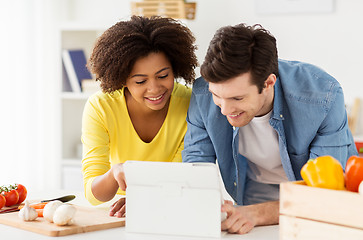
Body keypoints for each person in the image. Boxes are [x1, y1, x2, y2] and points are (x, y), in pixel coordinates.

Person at [182, 23, 357, 234]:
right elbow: (195, 168)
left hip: (317, 209)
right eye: (217, 95)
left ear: (268, 83)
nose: (224, 109)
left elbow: (323, 194)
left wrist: (256, 214)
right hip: (251, 202)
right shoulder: (201, 93)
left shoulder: (322, 97)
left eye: (237, 98)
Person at [82, 16, 198, 217]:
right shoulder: (101, 107)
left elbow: (182, 176)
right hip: (113, 213)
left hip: (169, 207)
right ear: (123, 79)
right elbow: (93, 194)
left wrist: (144, 197)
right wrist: (114, 172)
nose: (154, 89)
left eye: (163, 76)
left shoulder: (190, 103)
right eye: (140, 81)